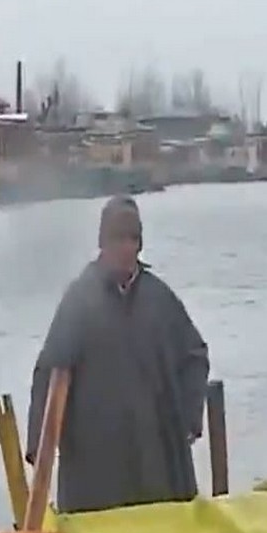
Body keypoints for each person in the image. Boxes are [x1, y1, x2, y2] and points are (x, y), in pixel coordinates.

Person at [26, 195, 210, 513]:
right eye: (118, 238)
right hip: (95, 455)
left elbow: (194, 355)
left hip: (155, 451)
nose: (126, 247)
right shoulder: (80, 300)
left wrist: (189, 419)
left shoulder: (160, 299)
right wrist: (39, 445)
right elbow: (50, 372)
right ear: (103, 243)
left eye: (133, 239)